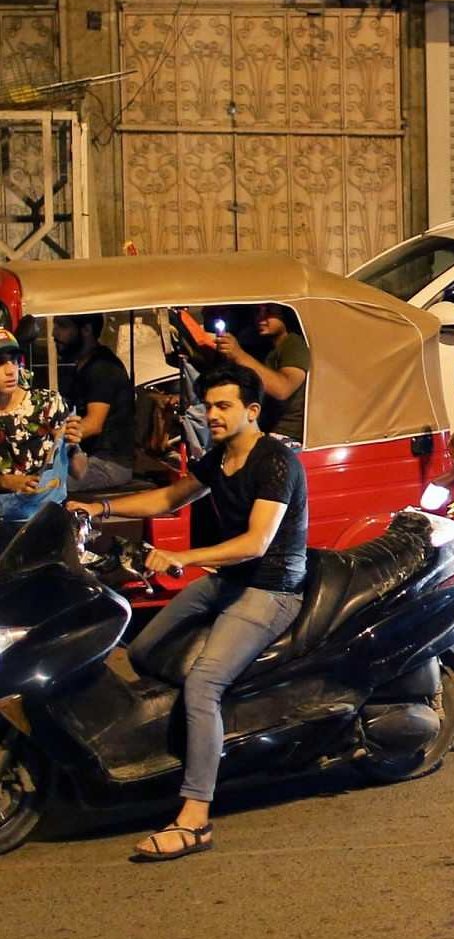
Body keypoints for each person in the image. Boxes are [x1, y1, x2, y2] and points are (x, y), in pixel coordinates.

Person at [67, 365, 308, 862]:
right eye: (208, 405)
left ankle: (195, 818)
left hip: (272, 588)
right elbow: (169, 497)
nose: (211, 415)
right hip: (228, 581)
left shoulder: (276, 461)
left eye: (223, 406)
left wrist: (184, 557)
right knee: (145, 649)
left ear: (252, 411)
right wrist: (99, 510)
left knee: (202, 684)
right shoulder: (219, 458)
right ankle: (189, 737)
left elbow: (256, 543)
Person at [53, 313, 137, 493]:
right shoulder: (82, 367)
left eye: (62, 326)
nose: (54, 333)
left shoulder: (102, 368)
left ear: (86, 330)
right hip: (85, 460)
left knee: (43, 487)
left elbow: (93, 423)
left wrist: (53, 438)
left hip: (108, 464)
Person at [0, 328, 72, 529]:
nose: (10, 370)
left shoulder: (47, 404)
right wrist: (5, 481)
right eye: (0, 362)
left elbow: (79, 470)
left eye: (14, 360)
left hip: (45, 519)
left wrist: (73, 444)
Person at [213, 304, 309, 442]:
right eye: (258, 311)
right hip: (261, 427)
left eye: (269, 312)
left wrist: (239, 355)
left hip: (285, 433)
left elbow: (283, 388)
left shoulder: (293, 345)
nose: (261, 318)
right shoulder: (266, 347)